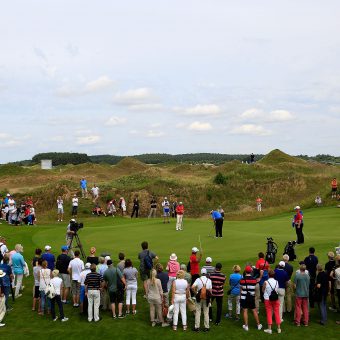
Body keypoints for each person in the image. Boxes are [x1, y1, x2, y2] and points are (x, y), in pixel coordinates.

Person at [239, 265, 262, 332]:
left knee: (245, 311)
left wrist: (241, 297)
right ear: (251, 271)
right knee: (254, 310)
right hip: (251, 297)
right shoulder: (254, 280)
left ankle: (246, 326)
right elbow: (255, 289)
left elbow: (241, 290)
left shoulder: (242, 280)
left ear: (245, 271)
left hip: (244, 297)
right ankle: (258, 325)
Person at [191, 268, 212, 332]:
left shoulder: (198, 279)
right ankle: (207, 327)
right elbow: (210, 291)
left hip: (199, 298)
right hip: (207, 298)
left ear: (201, 273)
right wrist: (210, 299)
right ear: (206, 273)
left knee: (198, 312)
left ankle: (197, 327)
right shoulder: (209, 280)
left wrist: (196, 293)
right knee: (206, 312)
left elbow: (192, 287)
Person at [262, 269, 281, 334]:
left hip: (267, 299)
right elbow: (277, 289)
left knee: (269, 313)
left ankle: (269, 329)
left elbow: (263, 290)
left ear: (268, 275)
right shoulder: (277, 282)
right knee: (277, 313)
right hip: (275, 299)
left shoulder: (265, 282)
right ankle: (279, 328)